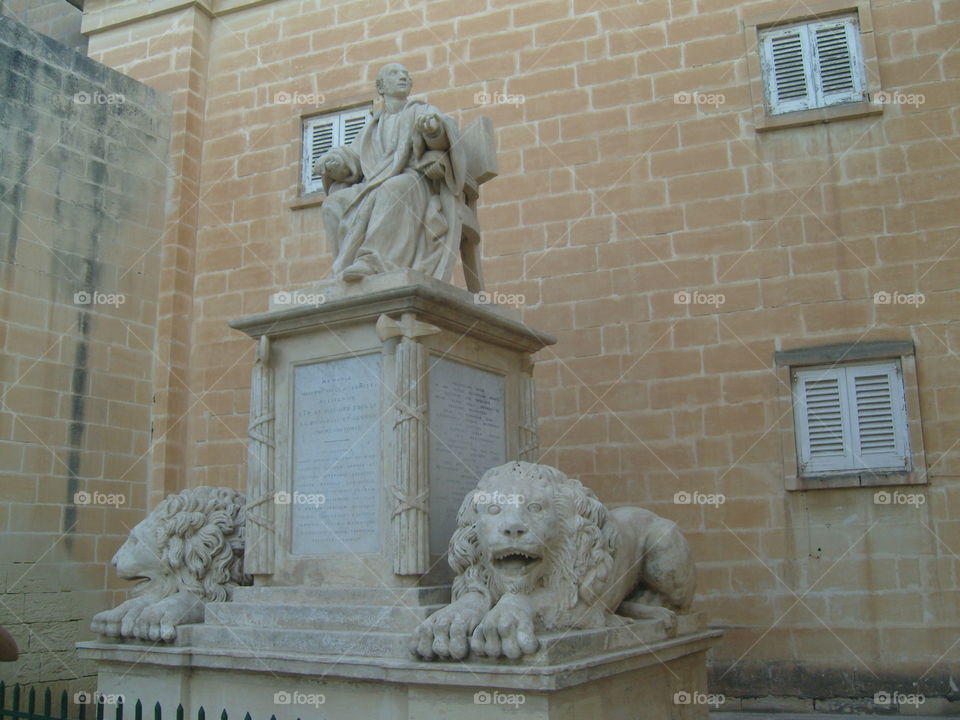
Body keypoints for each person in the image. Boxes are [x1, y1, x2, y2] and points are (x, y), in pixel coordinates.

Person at [316, 63, 466, 282]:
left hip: (414, 182)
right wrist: (334, 161)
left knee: (392, 188)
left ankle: (374, 262)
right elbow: (354, 157)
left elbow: (443, 135)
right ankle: (343, 265)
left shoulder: (420, 110)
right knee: (333, 203)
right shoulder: (371, 128)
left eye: (406, 74)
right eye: (395, 74)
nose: (403, 77)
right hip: (373, 184)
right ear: (381, 86)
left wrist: (433, 130)